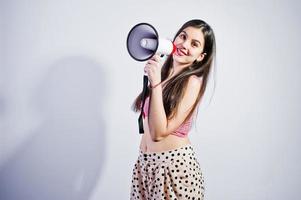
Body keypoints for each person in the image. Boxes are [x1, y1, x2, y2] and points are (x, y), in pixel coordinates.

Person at [130, 19, 216, 200]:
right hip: (146, 167)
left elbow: (159, 133)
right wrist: (156, 78)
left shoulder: (192, 82)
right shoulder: (164, 75)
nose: (185, 45)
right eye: (182, 37)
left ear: (201, 56)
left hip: (173, 169)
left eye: (194, 44)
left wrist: (155, 83)